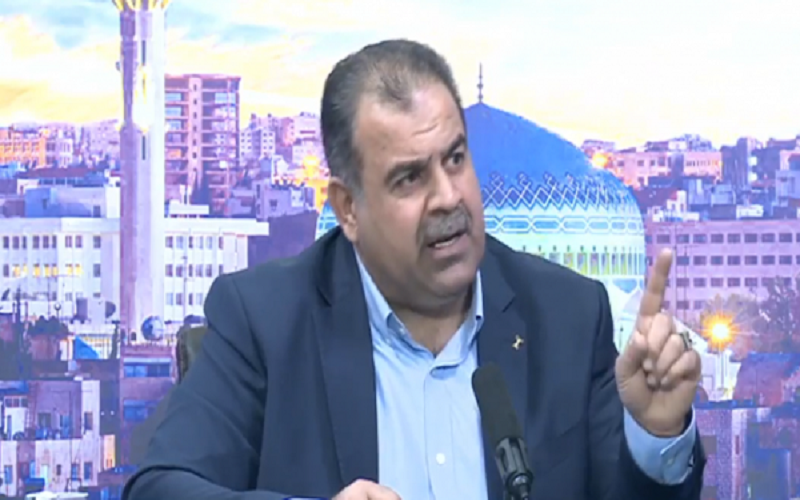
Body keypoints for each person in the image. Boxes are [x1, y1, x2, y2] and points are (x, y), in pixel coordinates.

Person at [123, 39, 705, 500]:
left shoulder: (565, 314)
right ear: (348, 208)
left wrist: (655, 436)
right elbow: (160, 489)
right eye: (409, 178)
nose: (448, 197)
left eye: (455, 159)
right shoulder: (266, 322)